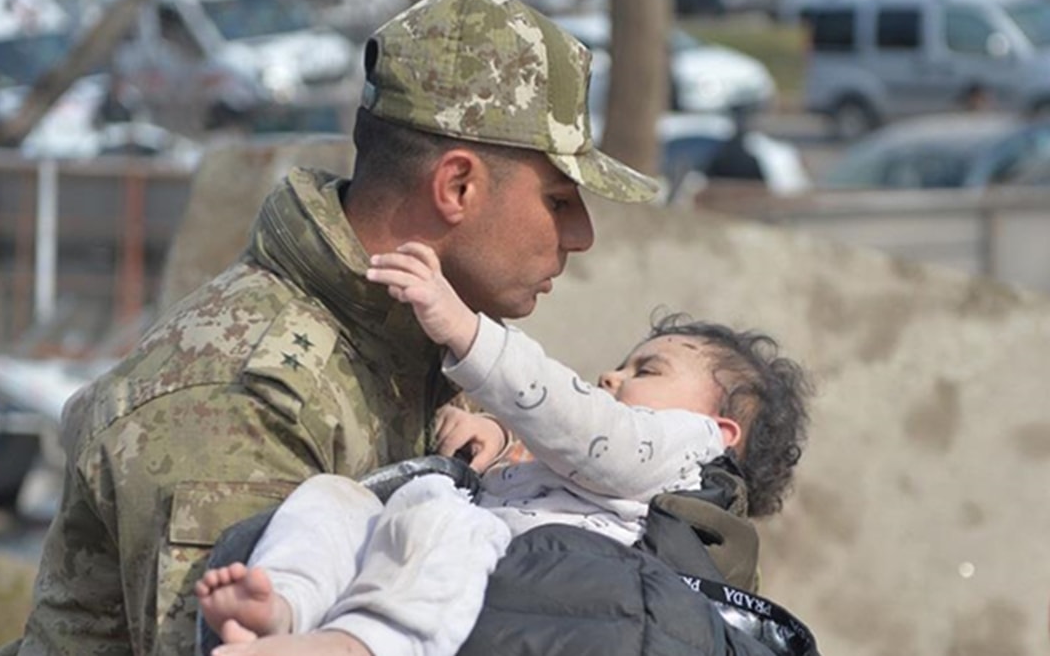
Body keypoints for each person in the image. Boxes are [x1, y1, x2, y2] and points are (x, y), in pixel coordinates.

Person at [0, 0, 664, 656]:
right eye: (558, 198)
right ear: (457, 186)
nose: (581, 235)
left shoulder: (420, 341)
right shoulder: (242, 404)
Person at [194, 243, 813, 656]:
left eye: (647, 369)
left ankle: (357, 644)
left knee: (447, 522)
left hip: (488, 566)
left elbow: (589, 434)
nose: (611, 377)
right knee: (335, 499)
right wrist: (496, 449)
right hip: (454, 563)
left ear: (720, 430)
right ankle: (285, 604)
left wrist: (467, 333)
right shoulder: (592, 463)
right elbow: (567, 459)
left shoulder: (684, 450)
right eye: (621, 365)